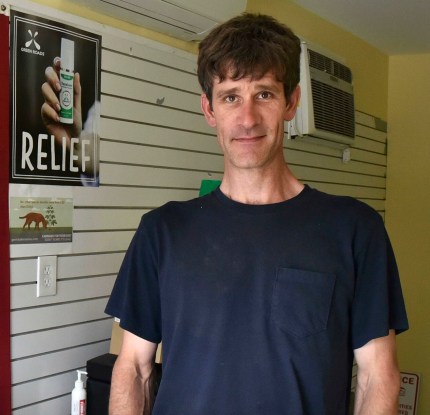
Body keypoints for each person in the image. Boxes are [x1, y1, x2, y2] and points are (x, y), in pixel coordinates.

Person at [105, 13, 408, 415]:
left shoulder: (354, 229)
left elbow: (377, 376)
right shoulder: (162, 232)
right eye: (231, 96)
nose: (247, 118)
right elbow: (135, 369)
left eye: (263, 94)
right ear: (209, 110)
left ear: (291, 103)